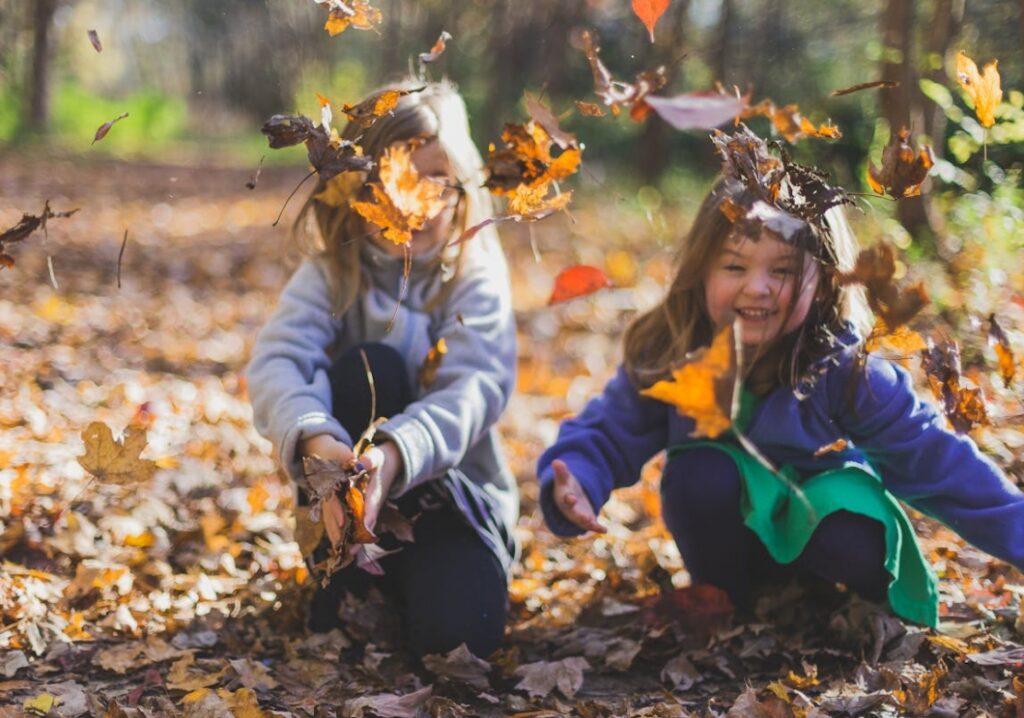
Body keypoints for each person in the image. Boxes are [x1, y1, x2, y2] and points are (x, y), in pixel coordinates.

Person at [536, 128, 1024, 627]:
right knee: (697, 473)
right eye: (734, 265)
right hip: (733, 545)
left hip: (829, 540)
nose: (758, 287)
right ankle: (733, 602)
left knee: (845, 520)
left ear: (827, 279)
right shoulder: (676, 350)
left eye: (784, 271)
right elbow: (610, 429)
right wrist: (579, 475)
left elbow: (937, 462)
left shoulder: (846, 369)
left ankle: (836, 604)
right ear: (701, 271)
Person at [247, 80, 517, 657]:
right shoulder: (332, 274)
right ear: (355, 188)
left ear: (461, 187)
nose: (411, 203)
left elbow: (475, 387)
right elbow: (277, 360)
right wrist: (318, 439)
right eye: (391, 180)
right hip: (344, 508)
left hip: (452, 506)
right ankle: (345, 576)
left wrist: (393, 457)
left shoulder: (473, 275)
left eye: (432, 182)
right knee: (370, 365)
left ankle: (433, 584)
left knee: (460, 643)